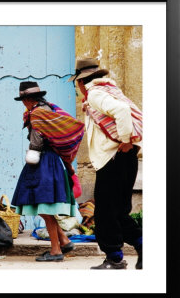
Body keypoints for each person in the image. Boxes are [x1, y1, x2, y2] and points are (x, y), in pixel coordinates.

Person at [68, 57, 143, 269]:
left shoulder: (96, 94)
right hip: (123, 160)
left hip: (114, 160)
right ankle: (143, 246)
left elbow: (122, 111)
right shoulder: (109, 90)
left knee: (104, 214)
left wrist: (126, 141)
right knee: (118, 212)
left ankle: (114, 258)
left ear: (82, 82)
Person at [12, 81, 85, 262]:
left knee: (44, 206)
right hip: (53, 161)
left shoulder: (36, 114)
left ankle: (55, 250)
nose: (23, 103)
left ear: (28, 99)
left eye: (23, 99)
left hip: (42, 162)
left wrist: (30, 156)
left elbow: (37, 142)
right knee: (45, 207)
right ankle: (64, 240)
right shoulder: (49, 109)